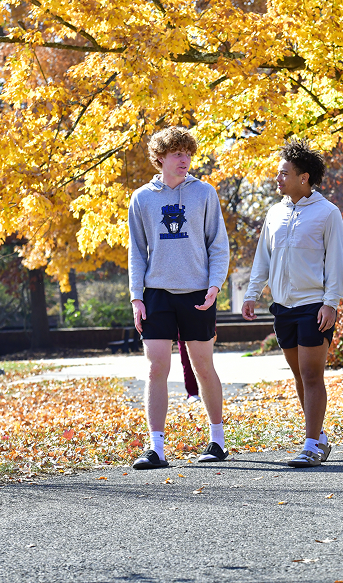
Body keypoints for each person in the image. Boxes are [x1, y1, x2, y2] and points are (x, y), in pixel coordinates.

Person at [128, 126, 230, 469]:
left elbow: (218, 244)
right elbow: (136, 252)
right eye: (177, 154)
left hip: (198, 293)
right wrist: (136, 296)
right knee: (156, 366)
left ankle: (217, 441)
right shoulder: (142, 197)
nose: (184, 159)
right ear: (160, 158)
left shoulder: (204, 193)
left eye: (188, 153)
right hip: (156, 293)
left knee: (203, 366)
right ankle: (155, 448)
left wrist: (215, 285)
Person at [242, 140, 343, 468]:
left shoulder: (327, 213)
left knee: (312, 375)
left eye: (283, 173)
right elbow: (263, 258)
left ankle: (311, 445)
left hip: (314, 305)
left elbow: (336, 262)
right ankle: (319, 438)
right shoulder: (275, 212)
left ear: (304, 178)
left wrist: (331, 303)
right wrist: (251, 294)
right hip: (282, 307)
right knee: (301, 377)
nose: (277, 177)